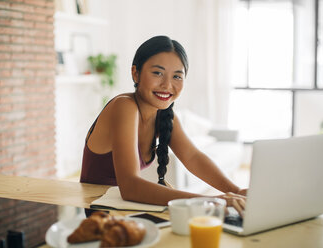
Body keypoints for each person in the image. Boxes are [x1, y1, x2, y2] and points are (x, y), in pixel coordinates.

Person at [80, 35, 246, 217]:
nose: (167, 85)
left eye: (177, 76)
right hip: (104, 213)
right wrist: (207, 201)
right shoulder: (124, 106)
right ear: (136, 73)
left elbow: (193, 157)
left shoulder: (165, 116)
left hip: (128, 208)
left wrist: (237, 191)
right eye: (157, 73)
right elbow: (130, 186)